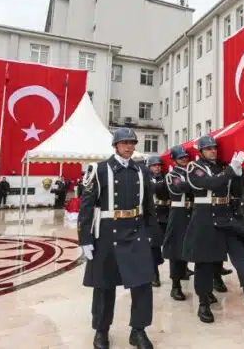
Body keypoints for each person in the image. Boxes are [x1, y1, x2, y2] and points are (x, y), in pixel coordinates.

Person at [77, 127, 155, 349]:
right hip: (107, 234)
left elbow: (149, 207)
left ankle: (138, 331)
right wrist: (85, 239)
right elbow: (86, 207)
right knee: (104, 285)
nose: (129, 146)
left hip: (136, 233)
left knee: (142, 285)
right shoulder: (99, 170)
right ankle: (101, 331)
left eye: (132, 142)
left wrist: (151, 235)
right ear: (115, 146)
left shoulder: (141, 171)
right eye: (125, 143)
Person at [182, 135, 244, 323]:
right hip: (205, 218)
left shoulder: (223, 167)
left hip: (226, 217)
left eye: (215, 148)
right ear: (201, 151)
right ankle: (203, 304)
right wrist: (232, 169)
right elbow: (210, 183)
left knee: (243, 256)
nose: (213, 151)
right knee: (204, 264)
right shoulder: (194, 168)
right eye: (208, 148)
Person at [164, 145, 194, 302]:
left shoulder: (191, 172)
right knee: (176, 250)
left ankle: (184, 272)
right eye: (181, 157)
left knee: (189, 246)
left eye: (186, 157)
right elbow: (182, 187)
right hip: (178, 213)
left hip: (192, 212)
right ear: (174, 160)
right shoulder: (171, 175)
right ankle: (175, 286)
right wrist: (197, 180)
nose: (184, 159)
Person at [146, 156, 168, 288]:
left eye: (159, 165)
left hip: (167, 212)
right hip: (153, 215)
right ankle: (155, 274)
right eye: (154, 165)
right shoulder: (146, 178)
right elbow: (152, 189)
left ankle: (182, 269)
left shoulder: (165, 176)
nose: (157, 167)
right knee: (153, 247)